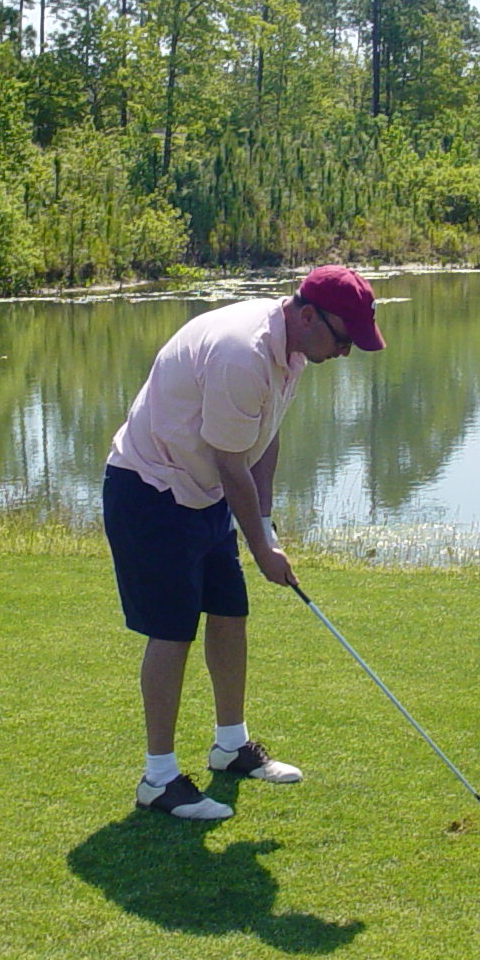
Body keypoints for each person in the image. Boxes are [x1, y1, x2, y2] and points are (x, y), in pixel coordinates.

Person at [103, 265, 386, 820]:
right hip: (152, 489)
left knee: (230, 613)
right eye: (344, 338)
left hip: (204, 489)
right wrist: (261, 548)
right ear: (310, 316)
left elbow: (263, 437)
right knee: (172, 630)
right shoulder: (243, 354)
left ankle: (230, 746)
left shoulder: (293, 350)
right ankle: (158, 779)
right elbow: (231, 462)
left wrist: (265, 521)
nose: (346, 352)